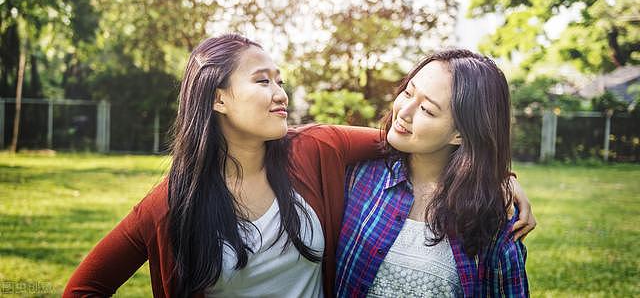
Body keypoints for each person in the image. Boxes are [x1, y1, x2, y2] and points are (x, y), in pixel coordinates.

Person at [64, 35, 534, 297]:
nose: (280, 93)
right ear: (218, 98)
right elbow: (85, 287)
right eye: (262, 81)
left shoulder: (316, 150)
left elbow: (410, 141)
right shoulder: (171, 203)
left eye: (280, 80)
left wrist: (498, 175)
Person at [335, 49, 530, 297]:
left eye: (426, 109)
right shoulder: (356, 177)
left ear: (460, 134)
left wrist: (497, 181)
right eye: (408, 92)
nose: (404, 112)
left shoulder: (493, 214)